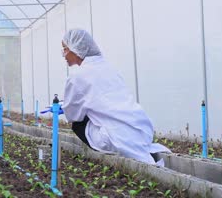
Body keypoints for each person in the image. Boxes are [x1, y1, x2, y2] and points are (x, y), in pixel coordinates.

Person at [60, 28, 169, 165]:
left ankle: (103, 157)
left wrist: (66, 107)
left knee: (78, 124)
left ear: (75, 49)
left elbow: (73, 115)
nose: (63, 55)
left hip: (115, 138)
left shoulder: (77, 77)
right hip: (141, 130)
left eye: (65, 49)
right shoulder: (109, 68)